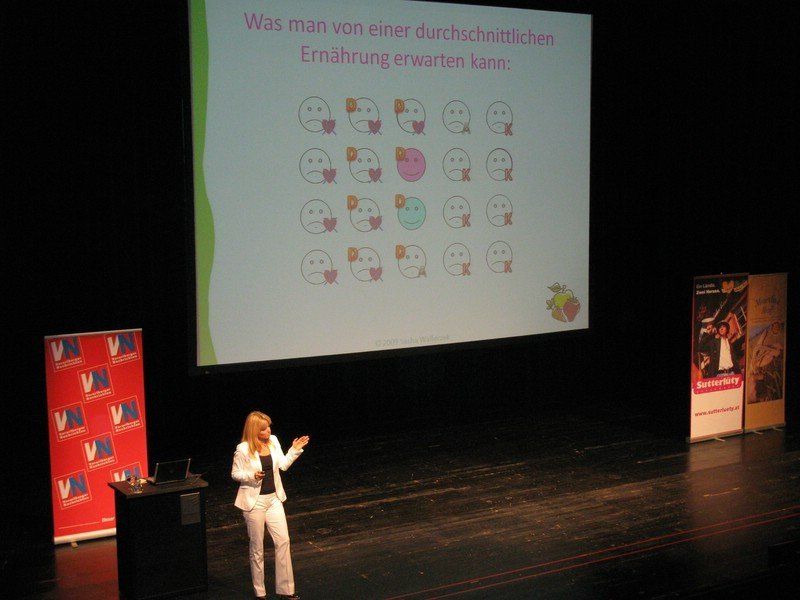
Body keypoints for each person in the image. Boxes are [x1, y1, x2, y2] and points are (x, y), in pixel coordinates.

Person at [231, 411, 310, 600]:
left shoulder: (273, 441)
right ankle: (260, 593)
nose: (269, 431)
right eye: (264, 429)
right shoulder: (243, 449)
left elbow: (283, 465)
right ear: (254, 431)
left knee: (283, 541)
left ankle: (286, 590)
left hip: (274, 499)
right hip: (254, 503)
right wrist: (252, 475)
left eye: (269, 427)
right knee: (257, 547)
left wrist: (294, 450)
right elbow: (235, 473)